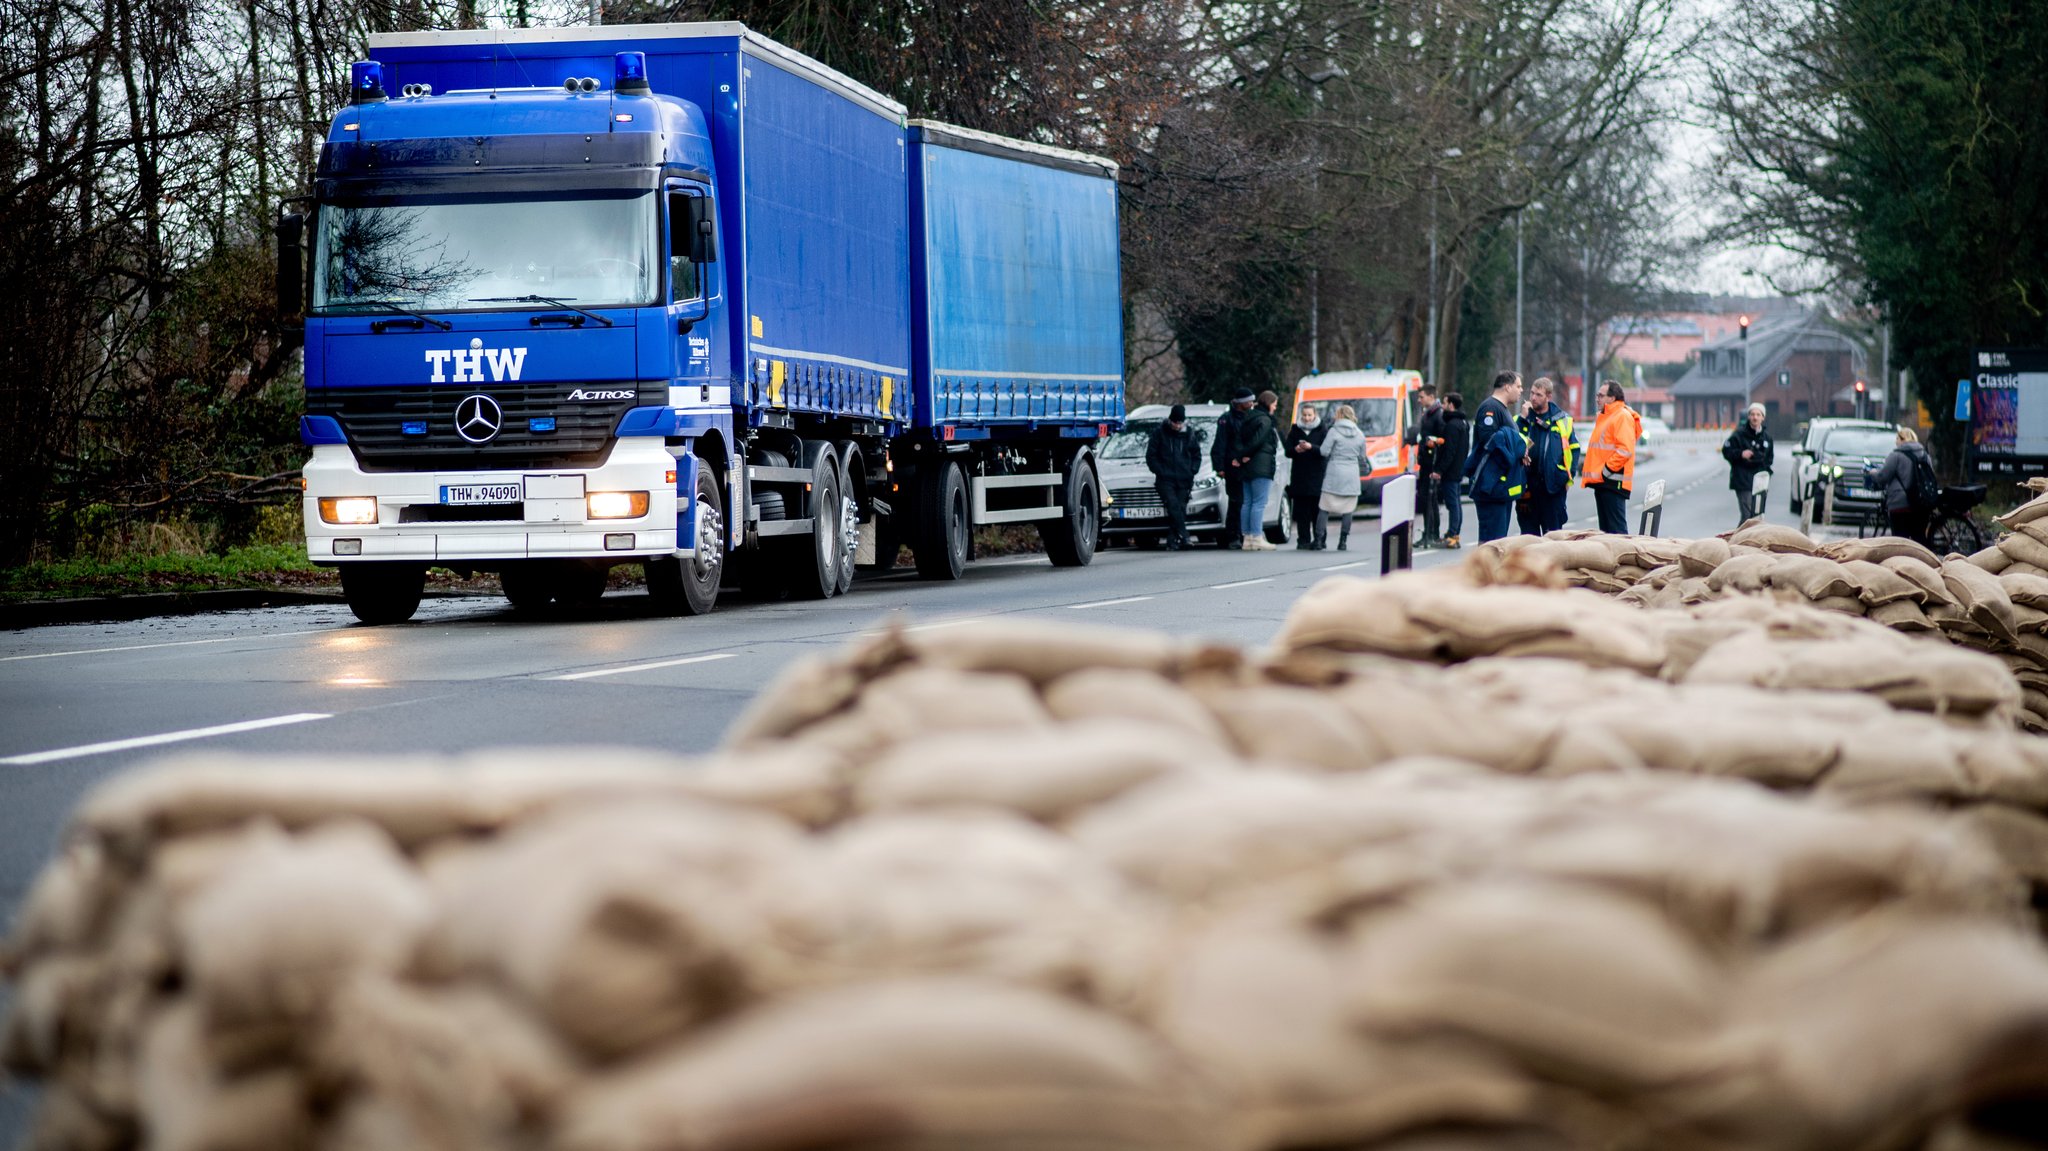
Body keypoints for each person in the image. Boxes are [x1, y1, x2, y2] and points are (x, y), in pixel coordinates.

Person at [1465, 371, 1526, 543]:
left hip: (1500, 488)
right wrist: (1515, 453)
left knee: (1499, 542)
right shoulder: (1490, 408)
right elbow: (1491, 442)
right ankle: (1486, 570)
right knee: (1491, 542)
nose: (1521, 390)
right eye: (1518, 386)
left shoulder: (1503, 409)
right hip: (1491, 487)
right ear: (1507, 387)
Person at [1580, 379, 1640, 534]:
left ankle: (1621, 558)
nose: (1597, 398)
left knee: (1616, 532)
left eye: (1601, 395)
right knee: (1607, 533)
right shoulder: (1608, 416)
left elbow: (1625, 450)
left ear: (1612, 398)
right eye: (1597, 395)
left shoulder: (1621, 416)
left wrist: (1605, 471)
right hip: (1605, 482)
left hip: (1612, 482)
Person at [1866, 427, 1937, 545]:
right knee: (1919, 539)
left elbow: (1883, 476)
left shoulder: (1896, 456)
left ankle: (1902, 562)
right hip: (1922, 503)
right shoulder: (1925, 455)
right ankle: (1921, 561)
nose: (1896, 442)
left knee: (1900, 541)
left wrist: (1872, 472)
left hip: (1900, 504)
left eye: (1897, 438)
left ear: (1902, 439)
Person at [1146, 403, 1202, 549]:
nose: (1177, 425)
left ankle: (1172, 540)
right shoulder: (1159, 433)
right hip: (1166, 478)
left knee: (1180, 508)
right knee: (1173, 505)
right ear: (1170, 420)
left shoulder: (1188, 433)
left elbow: (1196, 454)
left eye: (1180, 422)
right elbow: (1151, 455)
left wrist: (1192, 470)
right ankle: (1185, 536)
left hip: (1184, 478)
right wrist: (1160, 470)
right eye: (1175, 422)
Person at [1235, 390, 1282, 550]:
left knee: (1247, 502)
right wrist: (1246, 454)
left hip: (1247, 467)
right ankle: (1256, 536)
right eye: (1274, 405)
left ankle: (1247, 538)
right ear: (1268, 404)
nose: (1275, 408)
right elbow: (1258, 441)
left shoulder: (1248, 417)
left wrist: (1241, 456)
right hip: (1261, 466)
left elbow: (1240, 440)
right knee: (1259, 503)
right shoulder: (1265, 420)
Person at [1319, 404, 1369, 550]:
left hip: (1334, 472)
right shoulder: (1360, 434)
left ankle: (1319, 539)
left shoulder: (1333, 431)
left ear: (1339, 415)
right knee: (1348, 509)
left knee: (1324, 507)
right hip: (1351, 474)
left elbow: (1323, 451)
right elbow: (1362, 456)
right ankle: (1343, 541)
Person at [1210, 388, 1256, 548]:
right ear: (1241, 403)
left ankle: (1248, 534)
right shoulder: (1227, 420)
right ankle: (1234, 536)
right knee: (1236, 502)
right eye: (1249, 401)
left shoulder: (1252, 417)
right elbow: (1220, 444)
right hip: (1233, 467)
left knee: (1249, 502)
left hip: (1249, 467)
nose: (1252, 403)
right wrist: (1220, 466)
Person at [1723, 402, 1775, 524]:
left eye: (1758, 414)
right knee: (1747, 516)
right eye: (1752, 414)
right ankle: (1740, 541)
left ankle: (1746, 540)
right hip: (1743, 480)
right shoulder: (1739, 434)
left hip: (1760, 481)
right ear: (1748, 417)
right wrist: (1741, 454)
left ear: (1763, 417)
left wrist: (1766, 472)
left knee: (1757, 516)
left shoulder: (1767, 438)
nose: (1755, 417)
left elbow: (1769, 459)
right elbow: (1727, 451)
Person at [1286, 404, 1329, 549]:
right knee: (1302, 511)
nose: (1307, 418)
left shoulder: (1322, 429)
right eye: (1304, 415)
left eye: (1309, 415)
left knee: (1318, 510)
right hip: (1300, 476)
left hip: (1317, 475)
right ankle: (1303, 540)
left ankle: (1320, 539)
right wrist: (1295, 449)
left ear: (1315, 415)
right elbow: (1287, 450)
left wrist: (1311, 447)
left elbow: (1325, 450)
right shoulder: (1295, 429)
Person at [1412, 385, 1445, 546]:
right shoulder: (1428, 413)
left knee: (1429, 498)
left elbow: (1442, 440)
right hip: (1425, 462)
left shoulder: (1438, 415)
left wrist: (1432, 445)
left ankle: (1432, 533)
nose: (1419, 400)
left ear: (1431, 396)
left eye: (1421, 397)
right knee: (1426, 498)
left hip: (1431, 462)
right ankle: (1429, 532)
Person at [1435, 393, 1469, 548]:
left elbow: (1449, 451)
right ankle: (1454, 533)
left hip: (1451, 471)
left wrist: (1440, 470)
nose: (1442, 406)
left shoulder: (1452, 425)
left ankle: (1453, 534)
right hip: (1459, 468)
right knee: (1456, 502)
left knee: (1453, 503)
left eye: (1444, 402)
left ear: (1450, 405)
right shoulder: (1463, 422)